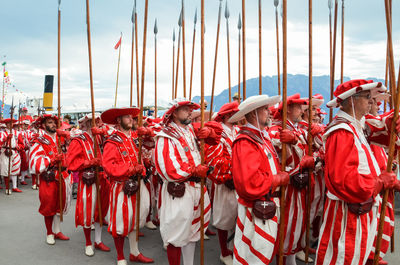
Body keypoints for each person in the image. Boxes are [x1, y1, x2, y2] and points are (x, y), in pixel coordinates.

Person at [316, 79, 398, 265]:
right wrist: (379, 182)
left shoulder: (355, 128)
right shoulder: (342, 131)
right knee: (341, 257)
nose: (372, 102)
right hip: (347, 212)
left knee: (354, 257)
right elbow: (344, 180)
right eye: (367, 97)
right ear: (352, 100)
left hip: (359, 209)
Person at [154, 98, 221, 265]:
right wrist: (193, 170)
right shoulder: (166, 136)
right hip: (180, 190)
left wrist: (210, 134)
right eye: (186, 109)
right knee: (176, 235)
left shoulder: (190, 130)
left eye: (190, 109)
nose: (191, 112)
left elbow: (217, 134)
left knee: (192, 232)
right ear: (174, 113)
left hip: (197, 188)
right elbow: (168, 169)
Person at [229, 95, 290, 264]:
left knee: (263, 255)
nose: (269, 112)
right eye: (264, 109)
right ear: (253, 113)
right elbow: (250, 183)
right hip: (256, 210)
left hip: (268, 206)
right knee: (253, 258)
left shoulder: (261, 138)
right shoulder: (245, 141)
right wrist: (277, 179)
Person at [101, 107, 154, 265]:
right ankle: (120, 256)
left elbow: (151, 144)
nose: (132, 120)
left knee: (136, 219)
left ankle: (134, 252)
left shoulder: (134, 138)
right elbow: (108, 167)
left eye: (132, 117)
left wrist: (148, 133)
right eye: (127, 117)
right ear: (118, 121)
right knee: (121, 221)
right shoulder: (112, 141)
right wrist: (130, 169)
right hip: (122, 186)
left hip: (138, 184)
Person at [268, 93, 314, 265]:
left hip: (297, 184)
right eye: (297, 107)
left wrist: (296, 142)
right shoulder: (276, 129)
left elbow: (303, 148)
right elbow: (273, 145)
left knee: (296, 222)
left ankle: (290, 259)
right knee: (285, 223)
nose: (302, 111)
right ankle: (281, 258)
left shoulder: (294, 129)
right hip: (285, 185)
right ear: (288, 109)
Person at [66, 113, 111, 257]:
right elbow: (71, 163)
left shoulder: (100, 137)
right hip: (88, 179)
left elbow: (114, 134)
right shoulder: (78, 140)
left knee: (100, 210)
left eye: (98, 122)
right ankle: (88, 242)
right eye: (94, 122)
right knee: (87, 211)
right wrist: (89, 162)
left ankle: (98, 240)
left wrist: (104, 132)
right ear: (87, 123)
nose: (97, 124)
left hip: (103, 178)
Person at [204, 101, 240, 265]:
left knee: (239, 216)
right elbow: (214, 158)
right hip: (225, 181)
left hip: (241, 180)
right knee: (225, 217)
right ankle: (224, 252)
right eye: (234, 113)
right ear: (227, 116)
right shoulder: (218, 133)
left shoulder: (238, 131)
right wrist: (227, 175)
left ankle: (235, 248)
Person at [29, 114, 71, 245]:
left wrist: (66, 135)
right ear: (44, 125)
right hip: (49, 178)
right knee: (48, 206)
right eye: (50, 122)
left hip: (63, 176)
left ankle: (57, 231)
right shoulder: (39, 141)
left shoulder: (61, 138)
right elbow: (35, 162)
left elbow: (76, 139)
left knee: (59, 205)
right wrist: (51, 160)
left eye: (54, 123)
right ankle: (49, 233)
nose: (53, 124)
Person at [0, 118, 24, 194]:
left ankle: (14, 187)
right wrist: (6, 139)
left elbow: (21, 144)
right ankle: (7, 188)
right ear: (6, 124)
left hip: (15, 152)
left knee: (15, 170)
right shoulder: (2, 133)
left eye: (11, 123)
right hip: (5, 152)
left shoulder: (17, 133)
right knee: (6, 170)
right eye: (8, 123)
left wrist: (19, 147)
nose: (10, 125)